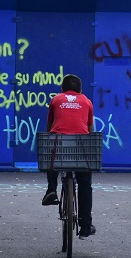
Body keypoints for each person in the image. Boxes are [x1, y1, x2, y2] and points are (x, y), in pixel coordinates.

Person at [41, 74, 96, 238]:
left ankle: (52, 189)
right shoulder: (86, 101)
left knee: (52, 149)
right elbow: (89, 129)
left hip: (60, 146)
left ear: (62, 89)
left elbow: (50, 126)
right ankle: (85, 226)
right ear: (80, 90)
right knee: (85, 184)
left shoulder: (56, 100)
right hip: (80, 147)